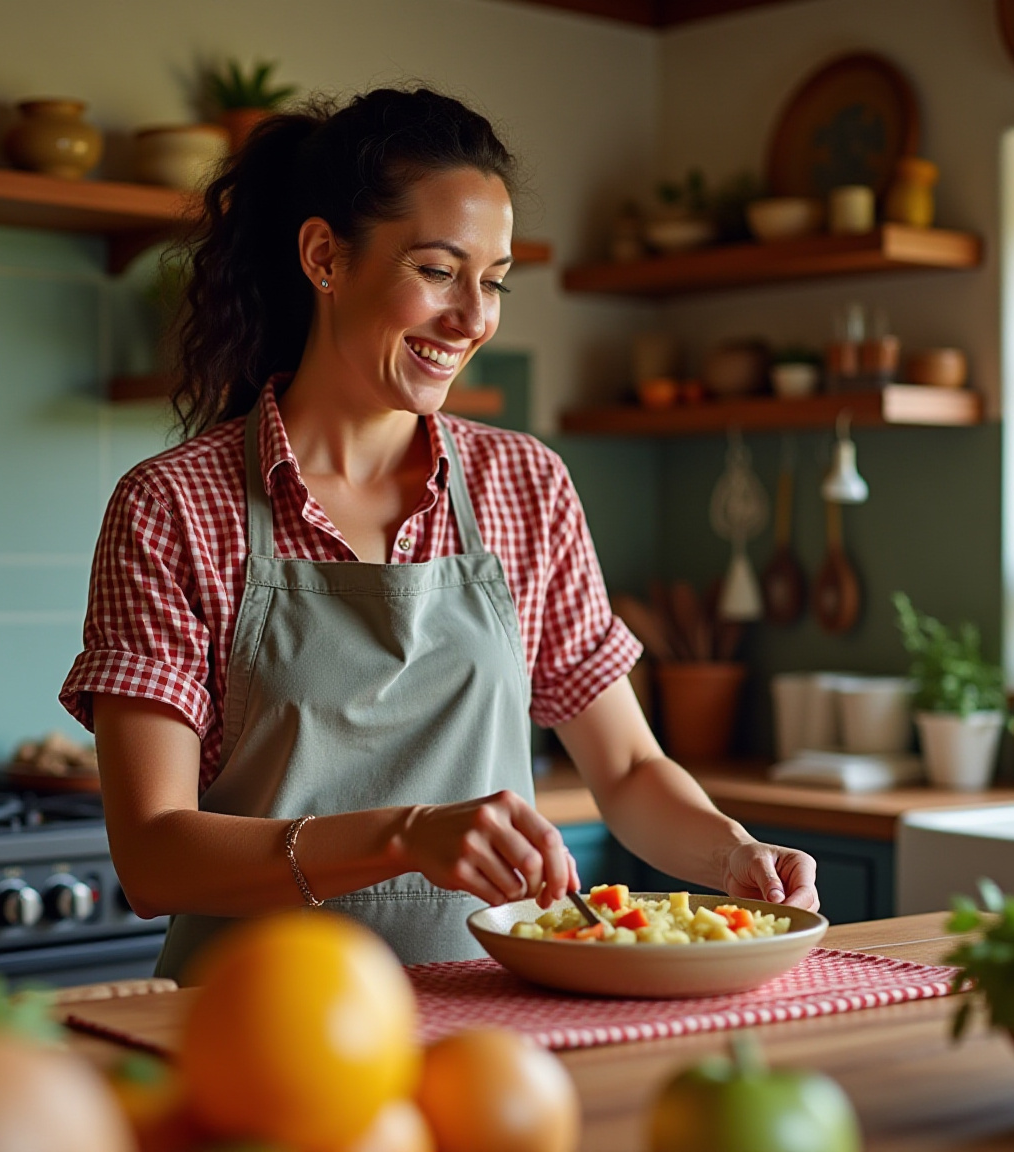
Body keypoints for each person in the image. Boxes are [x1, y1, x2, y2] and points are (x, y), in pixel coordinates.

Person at [60, 87, 818, 979]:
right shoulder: (175, 506)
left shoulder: (525, 486)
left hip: (491, 1024)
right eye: (436, 270)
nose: (473, 319)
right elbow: (154, 858)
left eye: (492, 281)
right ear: (323, 258)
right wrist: (408, 837)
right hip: (253, 1026)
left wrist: (733, 855)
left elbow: (628, 770)